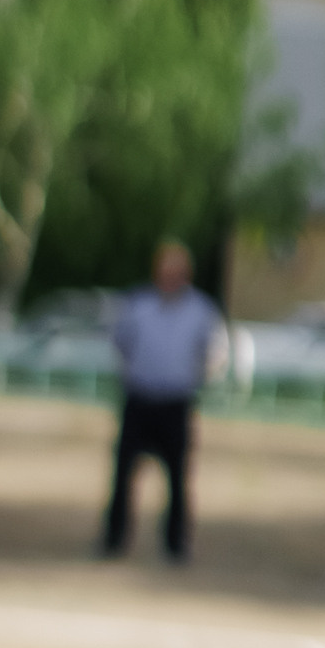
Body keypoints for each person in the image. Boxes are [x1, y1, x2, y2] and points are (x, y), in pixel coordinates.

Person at [101, 240, 224, 561]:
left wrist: (197, 378)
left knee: (178, 478)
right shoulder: (138, 305)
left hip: (175, 402)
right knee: (123, 474)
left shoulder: (201, 310)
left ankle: (176, 543)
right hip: (139, 399)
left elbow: (212, 352)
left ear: (186, 275)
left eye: (176, 272)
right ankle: (114, 539)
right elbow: (121, 343)